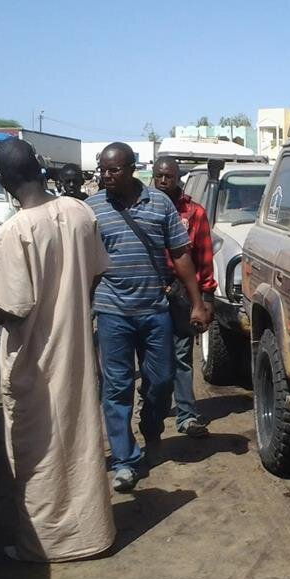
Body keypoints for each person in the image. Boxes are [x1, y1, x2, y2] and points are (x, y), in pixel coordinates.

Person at [0, 138, 115, 562]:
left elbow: (12, 309)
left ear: (0, 179)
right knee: (80, 439)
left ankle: (46, 546)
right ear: (40, 168)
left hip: (36, 359)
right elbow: (95, 274)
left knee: (38, 449)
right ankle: (94, 534)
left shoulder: (14, 231)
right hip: (77, 346)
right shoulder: (80, 211)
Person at [86, 142, 211, 492]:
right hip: (112, 312)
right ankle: (125, 461)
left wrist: (198, 301)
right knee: (117, 386)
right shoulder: (92, 208)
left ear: (131, 168)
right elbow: (85, 264)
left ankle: (151, 426)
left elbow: (181, 254)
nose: (107, 176)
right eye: (103, 170)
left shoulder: (159, 205)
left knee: (162, 380)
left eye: (114, 169)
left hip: (156, 309)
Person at [151, 155, 216, 438]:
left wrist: (206, 298)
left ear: (178, 178)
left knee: (181, 355)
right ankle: (151, 406)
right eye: (159, 176)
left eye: (169, 176)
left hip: (183, 292)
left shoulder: (195, 213)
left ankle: (187, 416)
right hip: (151, 290)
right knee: (152, 356)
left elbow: (203, 256)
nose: (164, 181)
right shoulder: (144, 209)